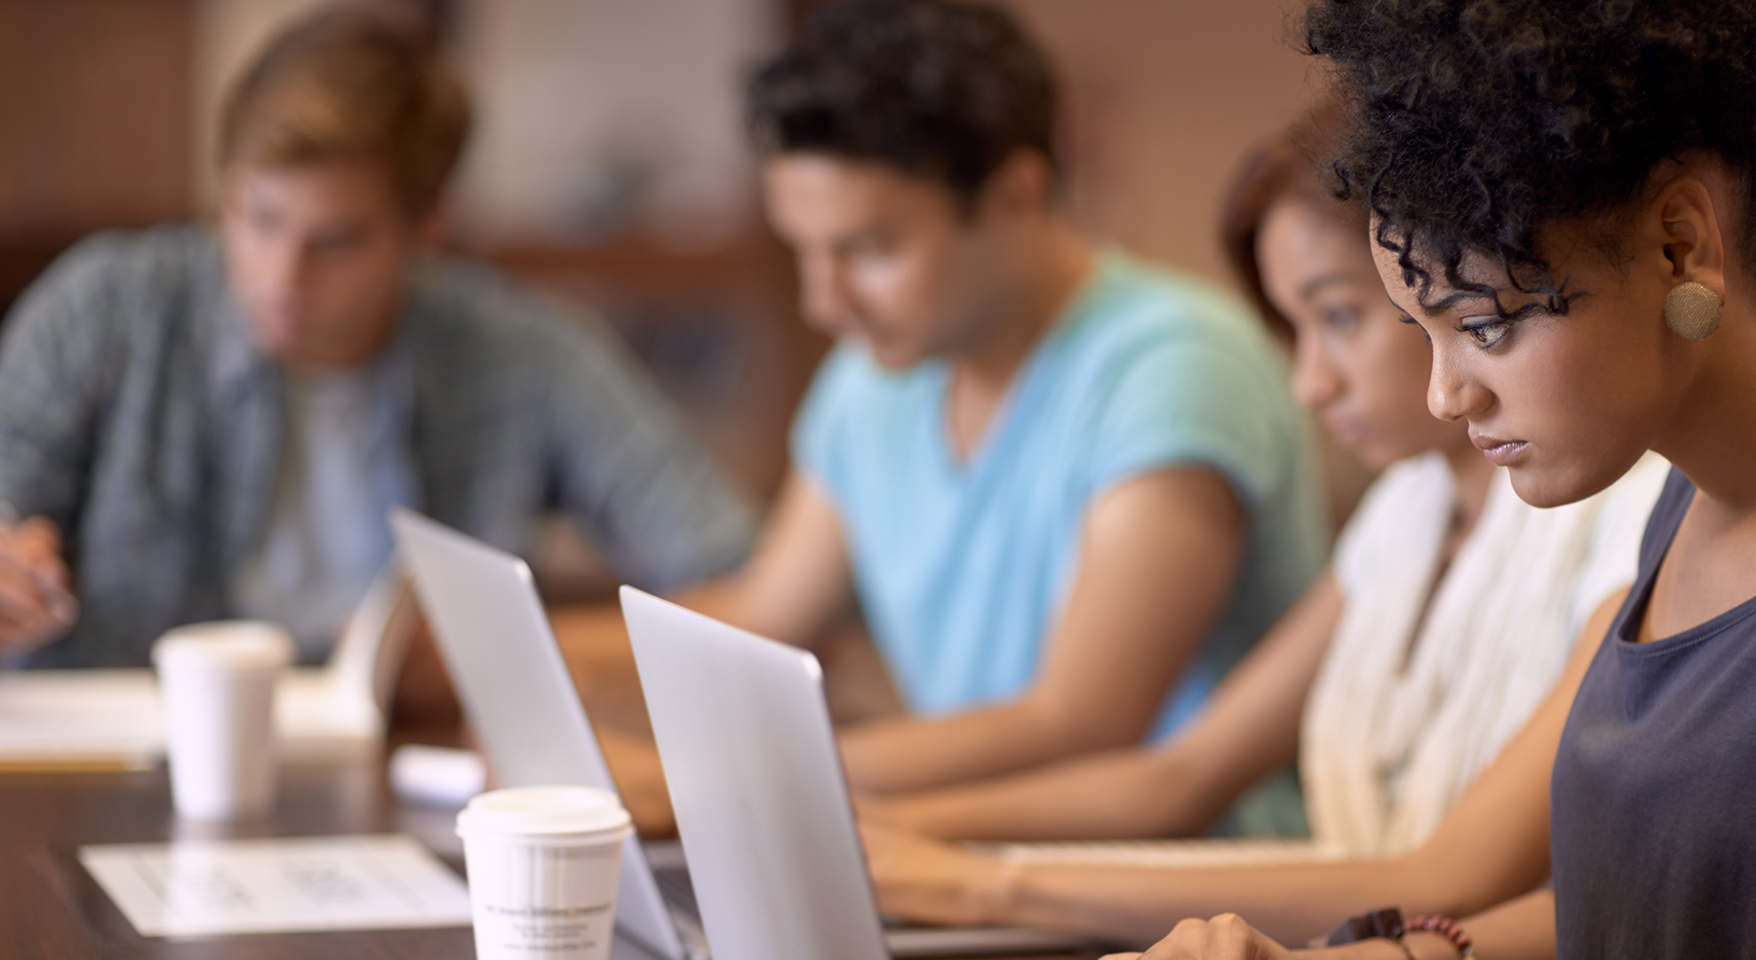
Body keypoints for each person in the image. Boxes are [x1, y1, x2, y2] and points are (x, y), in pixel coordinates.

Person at [1125, 0, 1756, 957]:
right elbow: (1638, 917)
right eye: (1424, 335)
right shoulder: (1685, 502)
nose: (1445, 397)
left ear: (1681, 244)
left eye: (1485, 327)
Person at [855, 102, 1665, 946]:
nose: (1310, 382)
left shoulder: (1630, 510)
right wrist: (886, 826)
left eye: (1341, 317)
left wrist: (986, 884)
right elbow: (1182, 774)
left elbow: (1440, 880)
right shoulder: (1406, 513)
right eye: (1294, 328)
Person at [617, 0, 1326, 824]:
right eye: (804, 251)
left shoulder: (1175, 366)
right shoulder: (877, 372)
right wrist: (530, 666)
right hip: (975, 863)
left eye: (869, 250)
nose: (823, 302)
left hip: (1182, 905)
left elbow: (1081, 723)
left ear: (1016, 194)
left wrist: (731, 786)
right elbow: (762, 615)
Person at [0, 6, 754, 668]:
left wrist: (504, 655)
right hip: (112, 770)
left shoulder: (523, 355)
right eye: (257, 218)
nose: (281, 275)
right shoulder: (104, 309)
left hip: (399, 776)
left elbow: (736, 578)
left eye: (336, 242)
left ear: (426, 229)